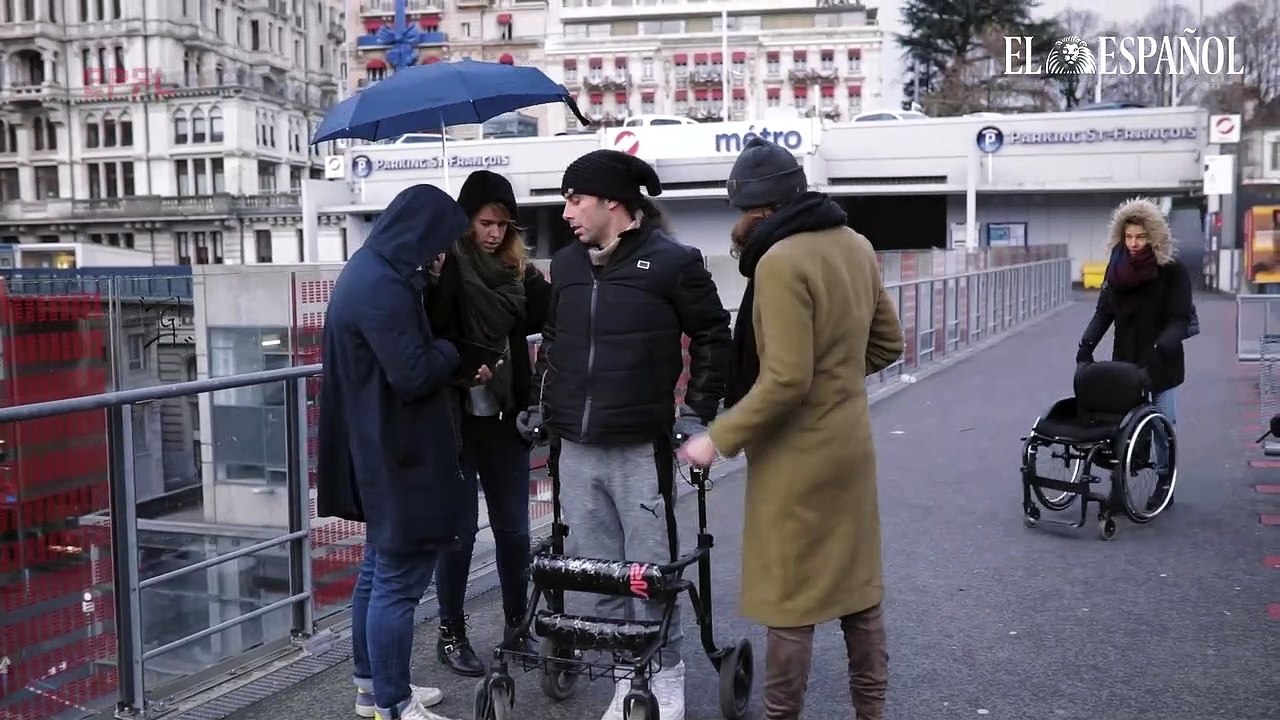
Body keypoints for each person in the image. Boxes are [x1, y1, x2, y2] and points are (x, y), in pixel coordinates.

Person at [678, 136, 905, 720]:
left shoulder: (780, 262)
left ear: (762, 211)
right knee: (857, 591)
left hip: (795, 457)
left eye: (740, 215)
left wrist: (717, 437)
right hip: (850, 446)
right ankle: (871, 712)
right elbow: (888, 344)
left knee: (790, 599)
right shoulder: (855, 243)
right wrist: (836, 384)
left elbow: (783, 380)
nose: (736, 229)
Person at [527, 149, 733, 720]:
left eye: (575, 199)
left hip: (641, 447)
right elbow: (555, 344)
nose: (566, 211)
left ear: (612, 201)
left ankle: (663, 678)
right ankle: (625, 680)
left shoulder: (674, 262)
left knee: (647, 572)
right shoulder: (566, 264)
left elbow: (715, 338)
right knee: (593, 571)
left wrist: (695, 415)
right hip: (575, 447)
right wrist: (540, 407)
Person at [316, 183, 490, 720]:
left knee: (377, 572)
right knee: (398, 583)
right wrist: (449, 350)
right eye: (438, 244)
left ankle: (374, 687)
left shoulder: (369, 270)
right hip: (400, 455)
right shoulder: (384, 287)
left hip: (378, 448)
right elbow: (412, 374)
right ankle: (393, 704)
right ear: (417, 234)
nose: (441, 256)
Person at [422, 170, 552, 676]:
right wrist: (432, 279)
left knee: (514, 532)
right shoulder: (445, 265)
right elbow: (430, 332)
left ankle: (517, 627)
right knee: (457, 535)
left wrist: (534, 276)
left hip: (505, 418)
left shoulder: (517, 273)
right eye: (486, 222)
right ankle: (451, 633)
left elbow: (549, 318)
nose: (495, 233)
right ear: (466, 220)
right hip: (456, 421)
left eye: (503, 225)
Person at [1076, 197, 1193, 509]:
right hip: (1125, 360)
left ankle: (1164, 481)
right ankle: (1123, 481)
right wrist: (1085, 347)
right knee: (1123, 424)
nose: (1134, 243)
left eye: (1141, 237)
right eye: (1128, 237)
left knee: (1161, 423)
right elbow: (1103, 314)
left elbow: (1180, 319)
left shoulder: (1172, 271)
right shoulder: (1117, 270)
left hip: (1161, 359)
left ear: (1153, 235)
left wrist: (1159, 348)